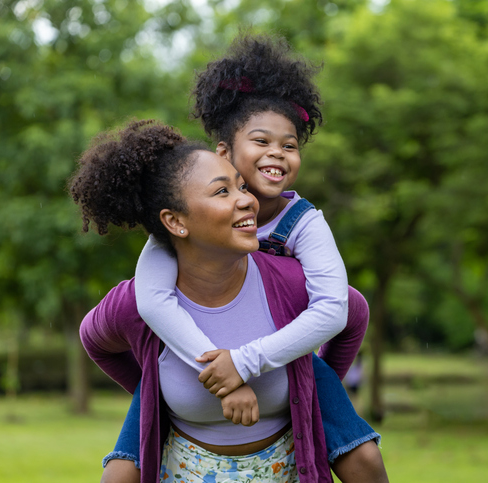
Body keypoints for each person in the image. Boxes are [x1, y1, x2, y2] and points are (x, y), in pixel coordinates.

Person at [102, 35, 389, 483]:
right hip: (195, 355)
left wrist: (302, 376)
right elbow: (151, 300)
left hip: (280, 354)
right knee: (118, 474)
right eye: (261, 141)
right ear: (223, 152)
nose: (277, 152)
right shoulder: (183, 226)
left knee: (364, 461)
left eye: (289, 145)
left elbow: (340, 307)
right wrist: (197, 374)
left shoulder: (305, 224)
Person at [71, 120, 359, 482]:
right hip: (183, 466)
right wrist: (154, 390)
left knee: (365, 460)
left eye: (241, 185)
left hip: (284, 464)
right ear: (175, 221)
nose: (247, 199)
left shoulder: (290, 281)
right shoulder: (139, 300)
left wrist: (314, 381)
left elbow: (350, 313)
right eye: (222, 192)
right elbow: (95, 341)